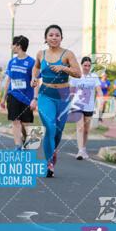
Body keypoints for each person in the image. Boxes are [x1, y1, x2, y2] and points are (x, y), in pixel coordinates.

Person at [31, 25, 80, 177]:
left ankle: (53, 149)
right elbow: (36, 68)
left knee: (58, 132)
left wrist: (63, 68)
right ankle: (49, 163)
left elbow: (78, 73)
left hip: (63, 97)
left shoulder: (68, 54)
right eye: (51, 35)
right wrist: (34, 77)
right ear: (46, 38)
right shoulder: (41, 54)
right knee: (50, 127)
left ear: (61, 38)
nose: (54, 37)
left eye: (57, 35)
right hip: (45, 95)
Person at [0, 35, 37, 151]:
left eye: (13, 45)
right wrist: (3, 98)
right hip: (13, 95)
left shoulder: (32, 62)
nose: (11, 47)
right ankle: (18, 145)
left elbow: (37, 82)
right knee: (15, 121)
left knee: (25, 124)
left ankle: (26, 139)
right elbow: (9, 81)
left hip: (27, 97)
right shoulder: (12, 62)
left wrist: (35, 99)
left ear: (18, 46)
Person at [69, 57, 103, 160]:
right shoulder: (76, 76)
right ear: (81, 65)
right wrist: (69, 103)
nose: (87, 68)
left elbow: (99, 89)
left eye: (89, 66)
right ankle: (80, 151)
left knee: (86, 130)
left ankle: (83, 148)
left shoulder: (94, 76)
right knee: (80, 127)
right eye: (85, 65)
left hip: (89, 106)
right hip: (77, 104)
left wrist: (101, 99)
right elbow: (71, 91)